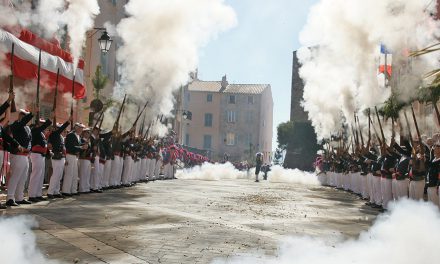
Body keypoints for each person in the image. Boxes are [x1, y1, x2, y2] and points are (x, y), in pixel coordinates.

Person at [6, 108, 33, 206]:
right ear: (19, 115)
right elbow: (22, 123)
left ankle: (19, 197)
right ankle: (10, 198)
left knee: (23, 177)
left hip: (25, 155)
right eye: (23, 114)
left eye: (25, 115)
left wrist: (29, 150)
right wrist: (32, 113)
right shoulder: (16, 124)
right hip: (17, 154)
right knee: (15, 176)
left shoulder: (28, 128)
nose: (24, 117)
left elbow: (29, 141)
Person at [28, 117, 52, 202]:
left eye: (43, 123)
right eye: (41, 123)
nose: (43, 125)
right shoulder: (35, 130)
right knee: (35, 175)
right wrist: (50, 119)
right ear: (38, 124)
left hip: (42, 155)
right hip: (36, 155)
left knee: (41, 176)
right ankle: (31, 195)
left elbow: (44, 144)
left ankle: (38, 194)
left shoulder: (42, 133)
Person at [47, 120, 70, 199]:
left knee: (59, 175)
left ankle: (56, 191)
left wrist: (65, 157)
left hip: (61, 156)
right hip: (56, 155)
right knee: (56, 174)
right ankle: (50, 192)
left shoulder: (61, 136)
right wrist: (67, 122)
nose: (60, 129)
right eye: (59, 128)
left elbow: (63, 148)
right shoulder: (54, 134)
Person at [62, 123, 85, 196]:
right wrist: (81, 147)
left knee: (75, 174)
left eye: (82, 128)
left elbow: (78, 146)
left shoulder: (78, 136)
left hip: (75, 156)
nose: (81, 129)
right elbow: (70, 146)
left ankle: (73, 190)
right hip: (70, 155)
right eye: (80, 128)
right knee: (69, 174)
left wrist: (83, 146)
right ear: (76, 128)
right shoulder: (71, 135)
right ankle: (66, 190)